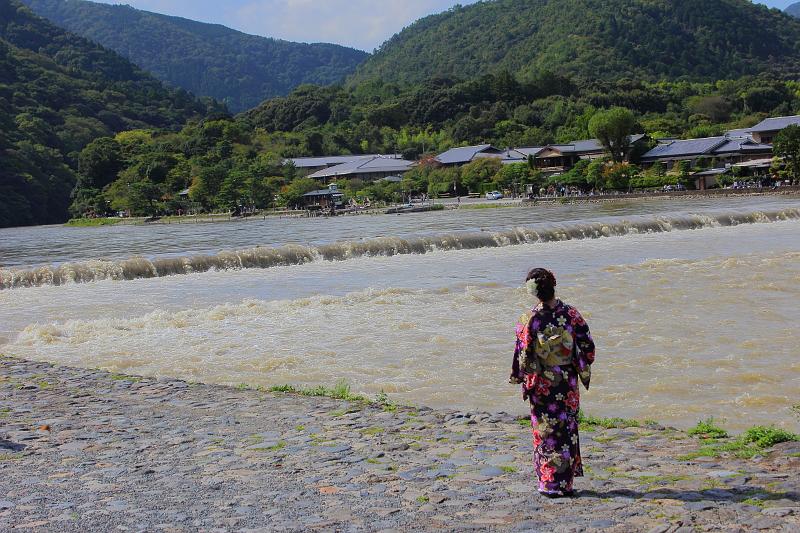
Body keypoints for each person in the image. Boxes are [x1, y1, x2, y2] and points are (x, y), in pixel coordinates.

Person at [510, 268, 595, 497]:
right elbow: (587, 346)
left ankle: (548, 483)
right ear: (553, 285)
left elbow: (523, 353)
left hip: (541, 383)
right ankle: (565, 484)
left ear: (532, 292)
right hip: (566, 381)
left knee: (545, 431)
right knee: (566, 429)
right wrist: (574, 359)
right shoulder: (571, 314)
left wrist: (523, 377)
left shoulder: (528, 319)